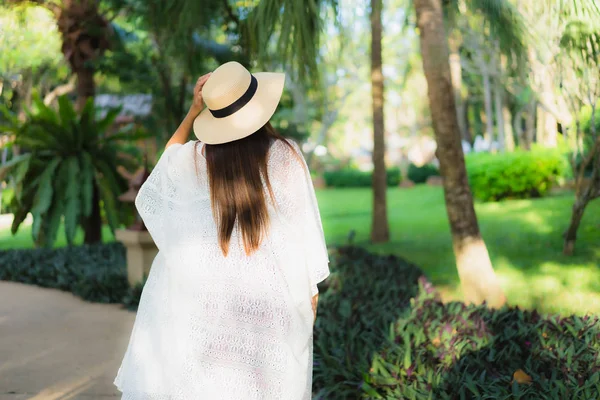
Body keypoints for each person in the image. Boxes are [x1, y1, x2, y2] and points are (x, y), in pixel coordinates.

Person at [113, 61, 330, 400]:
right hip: (268, 305)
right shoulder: (284, 155)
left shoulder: (195, 158)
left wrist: (192, 110)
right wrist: (307, 308)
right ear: (260, 106)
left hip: (205, 310)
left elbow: (164, 166)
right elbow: (306, 242)